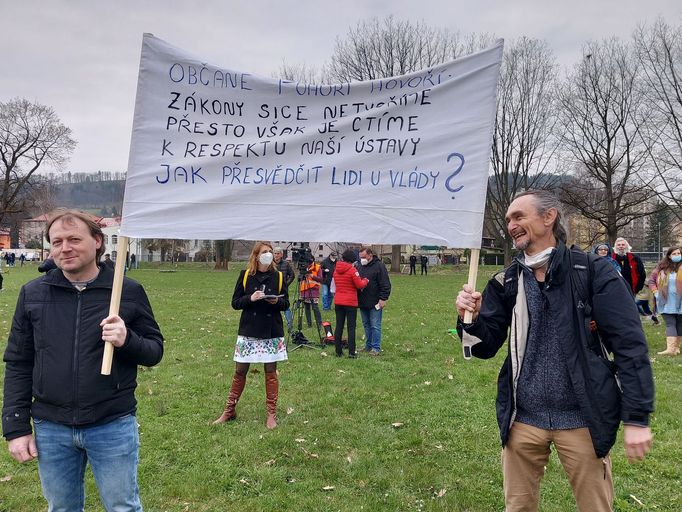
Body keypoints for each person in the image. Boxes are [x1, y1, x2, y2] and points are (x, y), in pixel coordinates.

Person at [455, 190, 654, 512]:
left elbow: (630, 346)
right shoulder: (507, 280)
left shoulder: (593, 272)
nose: (511, 225)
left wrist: (637, 418)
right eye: (508, 220)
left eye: (519, 216)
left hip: (583, 420)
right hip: (523, 420)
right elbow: (484, 348)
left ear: (549, 218)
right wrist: (471, 320)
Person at [2, 209, 164, 511]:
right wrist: (16, 426)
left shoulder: (127, 292)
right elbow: (18, 362)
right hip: (51, 427)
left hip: (111, 423)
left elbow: (154, 351)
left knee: (123, 507)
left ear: (97, 242)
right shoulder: (33, 294)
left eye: (74, 239)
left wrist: (127, 339)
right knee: (61, 508)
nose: (65, 248)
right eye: (57, 241)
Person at [213, 241, 289, 429]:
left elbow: (286, 303)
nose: (269, 255)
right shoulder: (246, 275)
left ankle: (271, 414)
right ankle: (229, 410)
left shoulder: (278, 276)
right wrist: (250, 298)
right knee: (240, 371)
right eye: (265, 252)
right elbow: (235, 302)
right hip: (249, 329)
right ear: (256, 255)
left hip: (271, 330)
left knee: (271, 372)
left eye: (270, 252)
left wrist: (275, 302)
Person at [332, 249, 369, 358]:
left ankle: (338, 351)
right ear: (352, 260)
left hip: (338, 301)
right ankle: (352, 352)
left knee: (339, 326)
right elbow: (359, 285)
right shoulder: (353, 270)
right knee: (351, 327)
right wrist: (365, 281)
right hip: (350, 302)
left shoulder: (336, 270)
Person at [357, 247, 392, 355]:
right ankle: (368, 345)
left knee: (375, 325)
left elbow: (385, 284)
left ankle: (376, 347)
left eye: (363, 257)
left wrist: (383, 298)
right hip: (363, 301)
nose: (362, 259)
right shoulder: (360, 266)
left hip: (375, 301)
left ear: (370, 255)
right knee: (366, 325)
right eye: (360, 257)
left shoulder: (379, 266)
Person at [648, 246, 682, 356]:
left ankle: (676, 348)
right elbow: (651, 281)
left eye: (679, 253)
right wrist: (656, 292)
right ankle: (670, 349)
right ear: (669, 255)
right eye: (674, 254)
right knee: (670, 323)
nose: (677, 255)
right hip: (665, 301)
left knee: (680, 324)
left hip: (680, 301)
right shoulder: (661, 268)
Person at [273, 247, 295, 331]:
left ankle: (290, 325)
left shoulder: (286, 264)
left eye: (278, 253)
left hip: (283, 289)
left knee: (286, 307)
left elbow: (292, 275)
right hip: (273, 288)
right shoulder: (271, 264)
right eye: (275, 253)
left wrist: (286, 284)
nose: (276, 255)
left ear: (281, 254)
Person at [300, 257, 323, 330]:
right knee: (307, 307)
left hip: (314, 290)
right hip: (305, 289)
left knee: (315, 307)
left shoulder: (317, 267)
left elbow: (320, 279)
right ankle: (309, 324)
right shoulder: (304, 267)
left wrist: (312, 276)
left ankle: (319, 324)